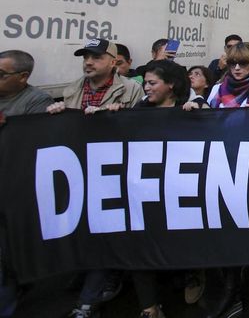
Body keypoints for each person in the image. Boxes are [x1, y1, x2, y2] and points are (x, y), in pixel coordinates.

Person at [48, 39, 144, 318]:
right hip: (80, 170)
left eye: (97, 57)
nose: (89, 62)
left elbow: (141, 128)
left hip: (114, 172)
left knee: (105, 230)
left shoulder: (130, 90)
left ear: (113, 62)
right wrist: (57, 116)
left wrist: (119, 117)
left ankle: (88, 300)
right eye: (86, 57)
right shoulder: (72, 90)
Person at [131, 59, 191, 318]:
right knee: (140, 246)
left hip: (180, 192)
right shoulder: (135, 112)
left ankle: (189, 276)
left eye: (152, 83)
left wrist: (199, 111)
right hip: (145, 191)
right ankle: (149, 306)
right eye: (145, 83)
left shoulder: (191, 111)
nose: (146, 88)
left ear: (171, 85)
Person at [0, 50, 54, 317]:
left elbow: (34, 147)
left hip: (13, 190)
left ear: (23, 77)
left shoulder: (37, 101)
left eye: (1, 74)